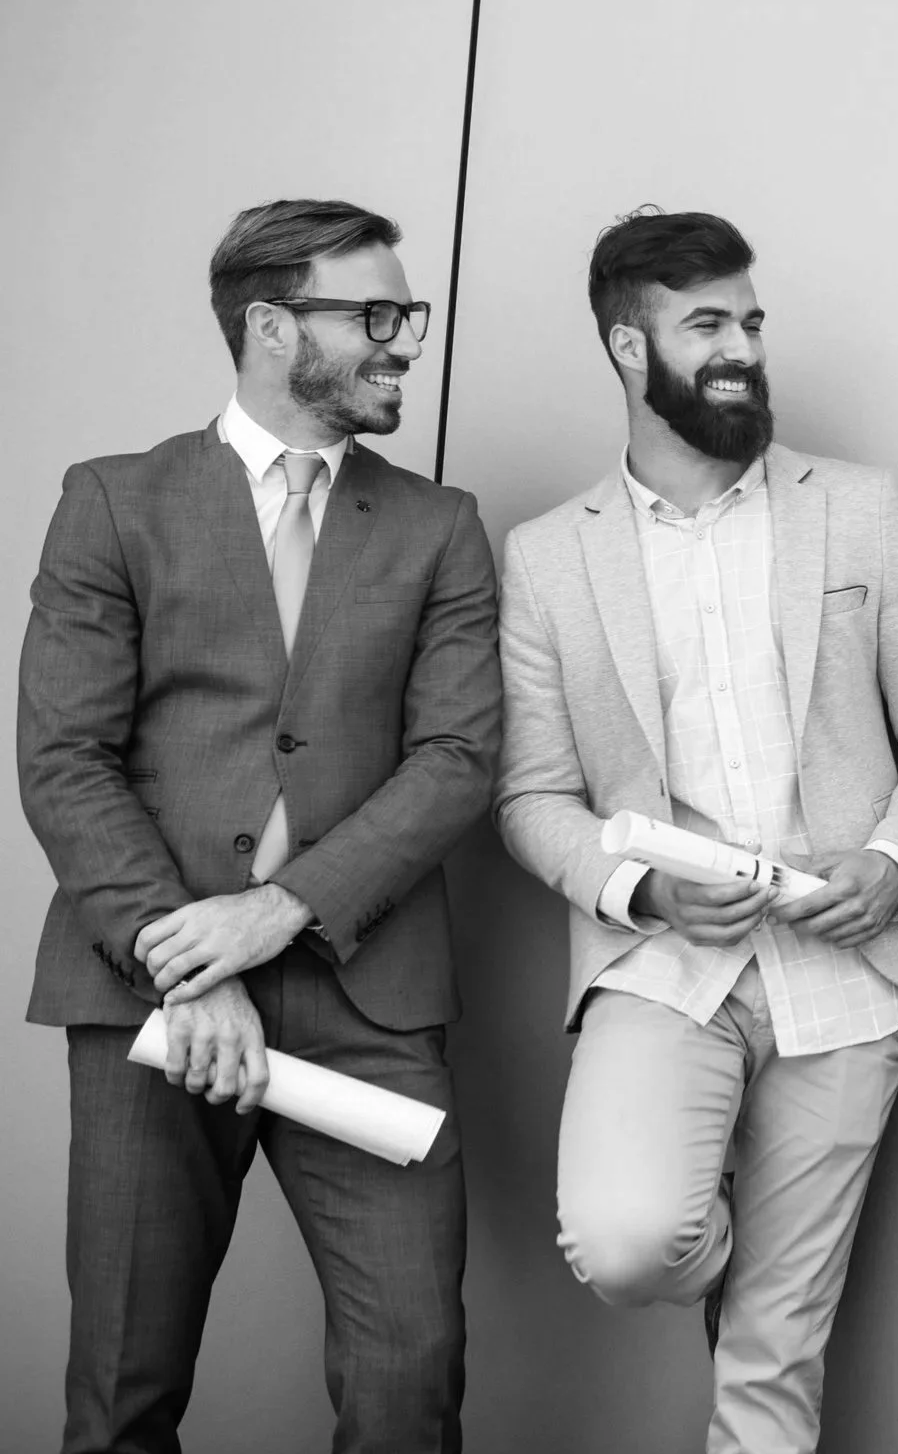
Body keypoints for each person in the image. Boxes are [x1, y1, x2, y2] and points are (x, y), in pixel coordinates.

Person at [19, 199, 499, 1452]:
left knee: (412, 1387)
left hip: (369, 997)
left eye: (409, 315)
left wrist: (273, 915)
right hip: (145, 997)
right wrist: (189, 960)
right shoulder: (114, 503)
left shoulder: (440, 526)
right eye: (376, 315)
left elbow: (457, 759)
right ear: (275, 327)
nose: (404, 340)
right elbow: (62, 754)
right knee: (122, 1388)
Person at [493, 210, 898, 1454]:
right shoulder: (547, 560)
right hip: (664, 967)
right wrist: (639, 894)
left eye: (749, 322)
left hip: (850, 975)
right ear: (624, 344)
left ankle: (775, 1282)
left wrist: (897, 863)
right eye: (705, 324)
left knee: (775, 1352)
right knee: (630, 1241)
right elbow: (532, 794)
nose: (741, 350)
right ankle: (757, 1244)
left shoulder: (858, 510)